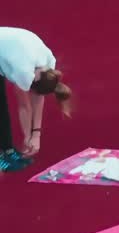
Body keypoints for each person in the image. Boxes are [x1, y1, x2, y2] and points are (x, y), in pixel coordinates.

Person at [0, 27, 73, 172]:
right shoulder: (24, 72)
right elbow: (24, 107)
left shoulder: (49, 64)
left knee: (2, 107)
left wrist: (36, 135)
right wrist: (28, 136)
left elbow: (38, 99)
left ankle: (8, 151)